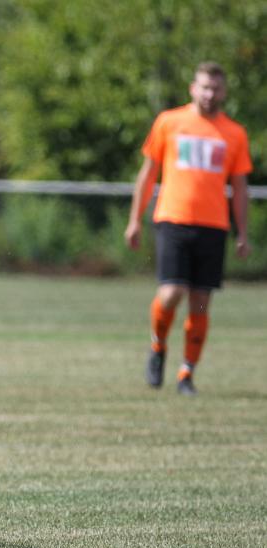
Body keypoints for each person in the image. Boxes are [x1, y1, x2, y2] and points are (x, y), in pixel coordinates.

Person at [125, 62, 251, 396]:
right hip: (172, 218)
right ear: (193, 88)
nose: (210, 94)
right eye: (205, 87)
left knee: (200, 303)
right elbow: (148, 173)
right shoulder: (170, 122)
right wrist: (135, 219)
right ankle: (157, 347)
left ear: (224, 92)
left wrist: (242, 233)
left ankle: (186, 374)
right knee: (171, 292)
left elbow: (239, 188)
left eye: (216, 88)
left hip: (213, 225)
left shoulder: (234, 133)